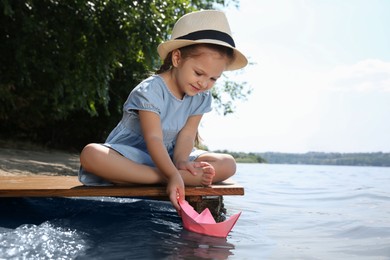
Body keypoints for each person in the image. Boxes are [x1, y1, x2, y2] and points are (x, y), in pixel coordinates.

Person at [79, 10, 248, 214]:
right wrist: (174, 175)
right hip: (134, 155)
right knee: (91, 154)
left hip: (170, 154)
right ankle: (162, 176)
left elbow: (187, 135)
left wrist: (182, 163)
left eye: (213, 79)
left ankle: (156, 176)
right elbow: (154, 138)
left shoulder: (202, 96)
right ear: (177, 58)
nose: (204, 83)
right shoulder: (150, 90)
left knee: (228, 164)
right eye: (199, 73)